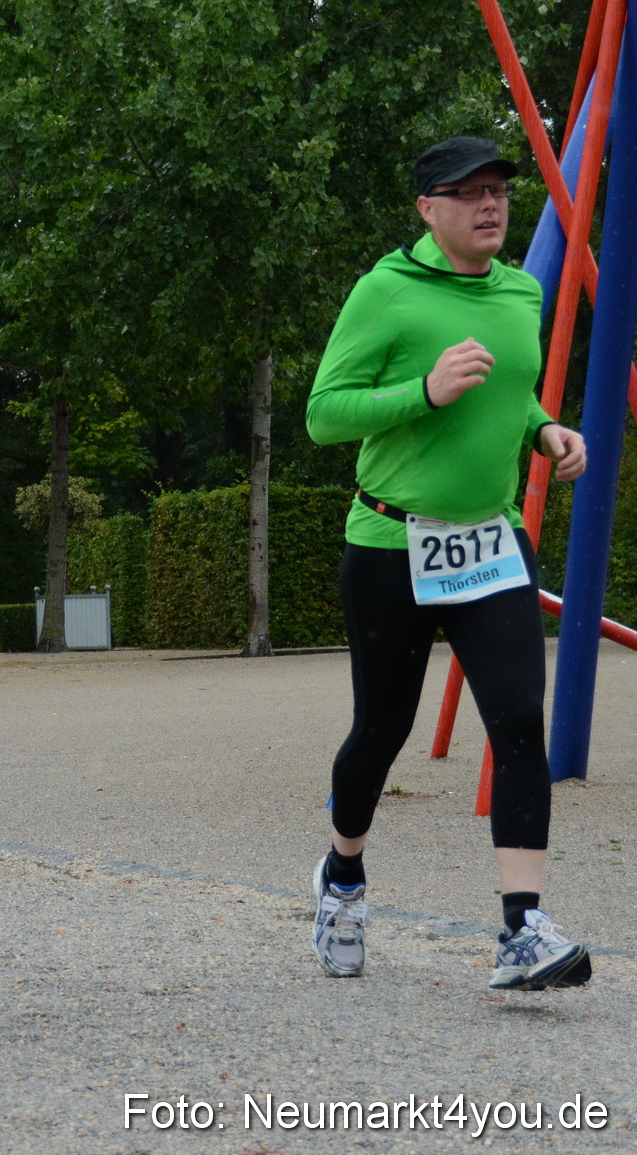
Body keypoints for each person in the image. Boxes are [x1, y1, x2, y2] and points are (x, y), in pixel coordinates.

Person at [306, 137, 592, 992]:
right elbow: (325, 413)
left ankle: (522, 927)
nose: (490, 205)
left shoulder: (520, 291)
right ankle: (344, 876)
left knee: (516, 721)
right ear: (428, 209)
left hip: (490, 541)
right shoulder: (385, 292)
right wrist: (421, 392)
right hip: (394, 542)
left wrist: (545, 428)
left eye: (499, 189)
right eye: (467, 193)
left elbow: (512, 395)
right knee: (382, 730)